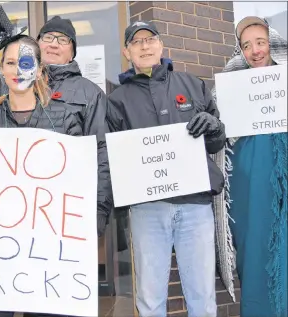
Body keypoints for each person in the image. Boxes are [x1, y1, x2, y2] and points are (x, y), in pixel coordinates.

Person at [106, 21, 226, 317]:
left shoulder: (192, 85)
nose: (145, 46)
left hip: (196, 206)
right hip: (148, 209)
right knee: (149, 299)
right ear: (127, 51)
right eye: (137, 42)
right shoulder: (116, 101)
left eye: (150, 39)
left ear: (161, 45)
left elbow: (216, 142)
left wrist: (214, 127)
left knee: (202, 297)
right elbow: (112, 158)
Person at [0, 5, 82, 316]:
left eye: (24, 61)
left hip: (49, 252)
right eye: (10, 62)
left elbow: (78, 183)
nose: (17, 69)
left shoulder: (65, 120)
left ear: (37, 68)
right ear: (1, 69)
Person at [0, 8, 112, 238]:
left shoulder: (89, 93)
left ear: (73, 52)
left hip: (57, 215)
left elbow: (100, 151)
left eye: (63, 40)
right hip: (7, 217)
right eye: (47, 37)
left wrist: (99, 208)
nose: (54, 44)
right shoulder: (9, 81)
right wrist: (11, 46)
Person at [212, 16, 287, 317]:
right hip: (249, 194)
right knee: (255, 260)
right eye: (246, 45)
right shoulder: (226, 92)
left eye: (261, 42)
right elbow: (217, 141)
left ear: (274, 44)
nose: (255, 51)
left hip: (282, 188)